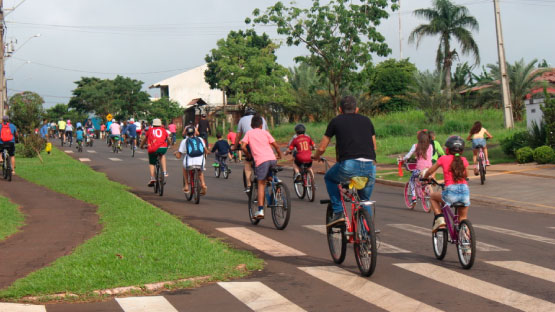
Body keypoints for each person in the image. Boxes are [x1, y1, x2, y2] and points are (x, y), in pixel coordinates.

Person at [312, 96, 377, 227]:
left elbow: (322, 147)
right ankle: (368, 235)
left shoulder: (336, 121)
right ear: (356, 109)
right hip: (370, 166)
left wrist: (316, 156)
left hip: (348, 165)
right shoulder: (367, 121)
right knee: (364, 200)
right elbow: (374, 146)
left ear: (340, 109)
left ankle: (338, 212)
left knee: (330, 178)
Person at [423, 136, 470, 232]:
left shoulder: (443, 159)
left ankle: (440, 219)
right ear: (461, 151)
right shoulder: (464, 160)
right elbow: (466, 175)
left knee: (432, 196)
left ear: (447, 149)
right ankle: (467, 242)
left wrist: (425, 177)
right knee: (463, 218)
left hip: (451, 192)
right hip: (465, 192)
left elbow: (430, 170)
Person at [241, 114, 283, 219]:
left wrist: (248, 155)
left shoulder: (249, 133)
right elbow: (276, 145)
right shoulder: (265, 132)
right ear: (261, 125)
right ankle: (277, 185)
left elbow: (243, 146)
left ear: (251, 125)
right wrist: (279, 154)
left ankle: (260, 210)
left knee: (261, 183)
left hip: (261, 161)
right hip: (272, 159)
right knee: (269, 177)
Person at [234, 107, 268, 192]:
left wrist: (234, 146)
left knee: (248, 161)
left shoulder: (242, 119)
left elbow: (238, 135)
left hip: (250, 143)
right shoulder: (262, 119)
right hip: (264, 143)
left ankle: (249, 185)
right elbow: (267, 132)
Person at [402, 130, 434, 206]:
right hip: (429, 169)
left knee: (412, 180)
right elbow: (430, 157)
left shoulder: (415, 146)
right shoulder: (430, 146)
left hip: (419, 169)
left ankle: (413, 197)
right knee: (426, 180)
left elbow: (408, 156)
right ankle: (425, 191)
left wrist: (402, 159)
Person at [175, 126, 208, 195]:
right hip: (200, 161)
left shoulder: (184, 141)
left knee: (184, 168)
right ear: (194, 132)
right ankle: (203, 184)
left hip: (190, 162)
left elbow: (178, 156)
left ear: (186, 133)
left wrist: (176, 153)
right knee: (200, 171)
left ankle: (186, 185)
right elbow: (206, 151)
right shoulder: (200, 139)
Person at [140, 118, 171, 186]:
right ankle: (165, 172)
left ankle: (152, 178)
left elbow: (145, 140)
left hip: (153, 148)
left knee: (152, 163)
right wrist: (168, 144)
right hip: (163, 148)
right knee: (162, 155)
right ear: (160, 125)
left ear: (153, 124)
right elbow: (168, 139)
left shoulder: (150, 130)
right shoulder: (163, 130)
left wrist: (141, 146)